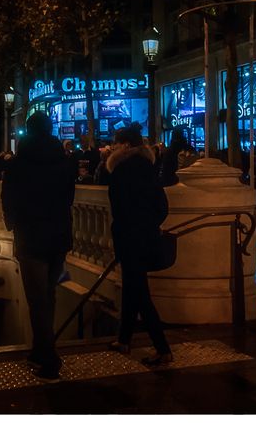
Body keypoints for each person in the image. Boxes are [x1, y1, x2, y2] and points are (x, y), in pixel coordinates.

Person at [1, 111, 76, 382]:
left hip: (31, 236)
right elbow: (69, 197)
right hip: (58, 237)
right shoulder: (64, 162)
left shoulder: (18, 164)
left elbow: (8, 197)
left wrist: (13, 223)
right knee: (50, 295)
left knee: (36, 300)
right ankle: (40, 351)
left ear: (28, 131)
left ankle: (49, 359)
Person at [105, 124, 173, 365]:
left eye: (115, 142)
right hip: (145, 237)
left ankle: (162, 348)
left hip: (128, 237)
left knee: (140, 293)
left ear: (124, 145)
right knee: (133, 288)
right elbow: (161, 206)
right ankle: (124, 339)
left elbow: (118, 208)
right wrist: (149, 225)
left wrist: (129, 228)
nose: (112, 146)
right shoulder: (148, 168)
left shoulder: (121, 171)